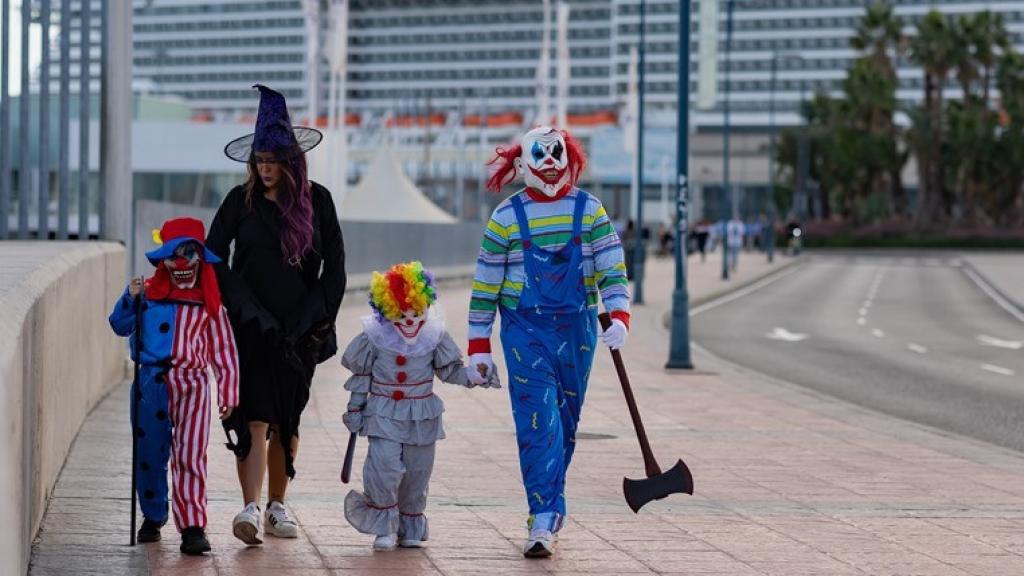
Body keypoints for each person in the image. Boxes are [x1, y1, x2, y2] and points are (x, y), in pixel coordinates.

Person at [467, 126, 631, 558]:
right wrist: (479, 346)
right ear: (523, 165)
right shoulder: (505, 216)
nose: (552, 164)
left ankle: (549, 508)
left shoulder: (591, 210)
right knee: (537, 421)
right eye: (541, 157)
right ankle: (542, 517)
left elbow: (612, 265)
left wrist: (620, 314)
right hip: (524, 330)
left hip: (577, 328)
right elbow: (485, 284)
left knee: (566, 423)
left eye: (558, 155)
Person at [206, 84, 346, 546]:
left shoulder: (318, 201)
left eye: (273, 160)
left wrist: (313, 319)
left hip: (297, 331)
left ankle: (277, 506)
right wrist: (243, 306)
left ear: (292, 161)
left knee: (287, 416)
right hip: (250, 327)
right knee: (254, 415)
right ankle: (249, 506)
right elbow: (212, 256)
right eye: (259, 160)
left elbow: (335, 268)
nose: (265, 168)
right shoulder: (238, 201)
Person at [340, 261, 500, 551]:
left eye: (417, 312)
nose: (411, 320)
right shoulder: (375, 338)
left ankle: (409, 523)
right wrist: (355, 409)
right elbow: (361, 376)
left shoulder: (434, 336)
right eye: (402, 314)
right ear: (388, 311)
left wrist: (473, 376)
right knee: (383, 466)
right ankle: (385, 527)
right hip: (383, 412)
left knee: (417, 471)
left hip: (422, 415)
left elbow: (449, 370)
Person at [108, 217, 239, 555]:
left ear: (200, 258)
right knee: (149, 453)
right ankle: (153, 516)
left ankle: (193, 526)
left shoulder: (210, 303)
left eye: (189, 254)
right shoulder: (147, 294)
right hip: (150, 383)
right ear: (163, 260)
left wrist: (228, 392)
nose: (181, 263)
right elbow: (119, 326)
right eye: (173, 255)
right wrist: (130, 297)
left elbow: (224, 349)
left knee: (191, 454)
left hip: (193, 384)